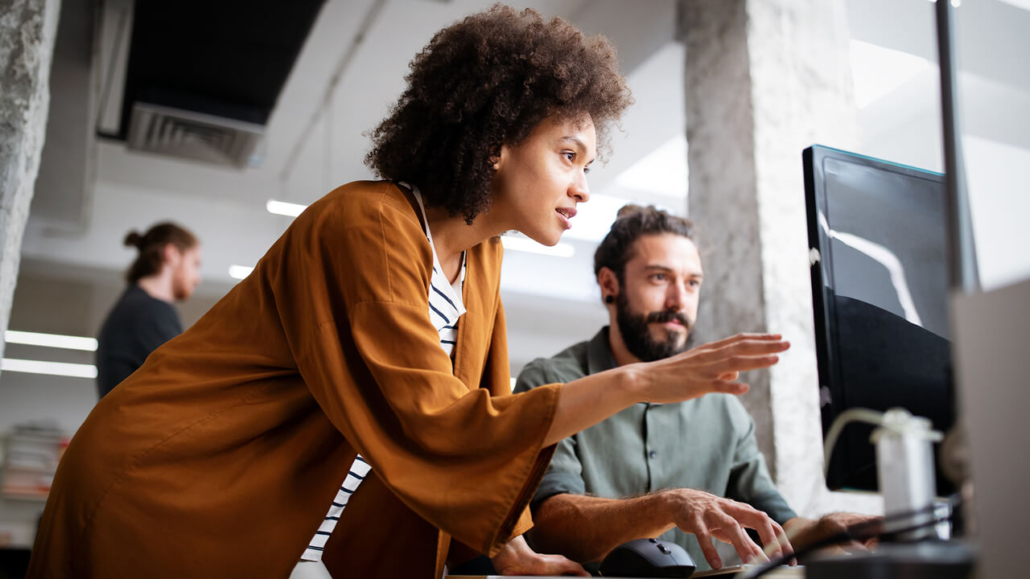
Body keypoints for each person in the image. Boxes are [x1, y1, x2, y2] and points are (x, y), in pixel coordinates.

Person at [27, 7, 791, 579]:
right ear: (497, 138)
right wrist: (637, 381)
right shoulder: (365, 224)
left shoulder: (482, 257)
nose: (582, 188)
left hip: (294, 523)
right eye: (568, 154)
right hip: (170, 489)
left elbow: (485, 420)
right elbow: (440, 423)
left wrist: (515, 552)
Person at [515, 205, 878, 573]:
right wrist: (667, 506)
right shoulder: (551, 383)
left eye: (692, 283)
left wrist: (824, 531)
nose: (679, 301)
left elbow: (775, 522)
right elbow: (550, 526)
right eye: (659, 278)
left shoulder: (723, 404)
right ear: (610, 284)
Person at [95, 223, 202, 399]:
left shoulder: (135, 306)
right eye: (195, 264)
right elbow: (184, 386)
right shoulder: (149, 310)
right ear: (172, 255)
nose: (198, 279)